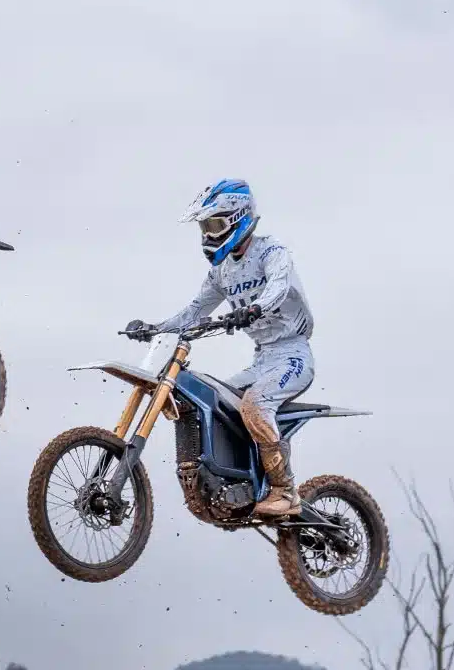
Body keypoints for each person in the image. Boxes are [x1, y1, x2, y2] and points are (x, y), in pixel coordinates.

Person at [126, 179, 316, 518]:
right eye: (204, 226)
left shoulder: (272, 253)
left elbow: (278, 287)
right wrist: (154, 328)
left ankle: (285, 491)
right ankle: (233, 483)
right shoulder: (221, 272)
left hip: (292, 355)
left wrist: (254, 308)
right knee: (217, 405)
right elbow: (194, 310)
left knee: (255, 407)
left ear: (238, 218)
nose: (208, 234)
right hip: (261, 360)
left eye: (214, 224)